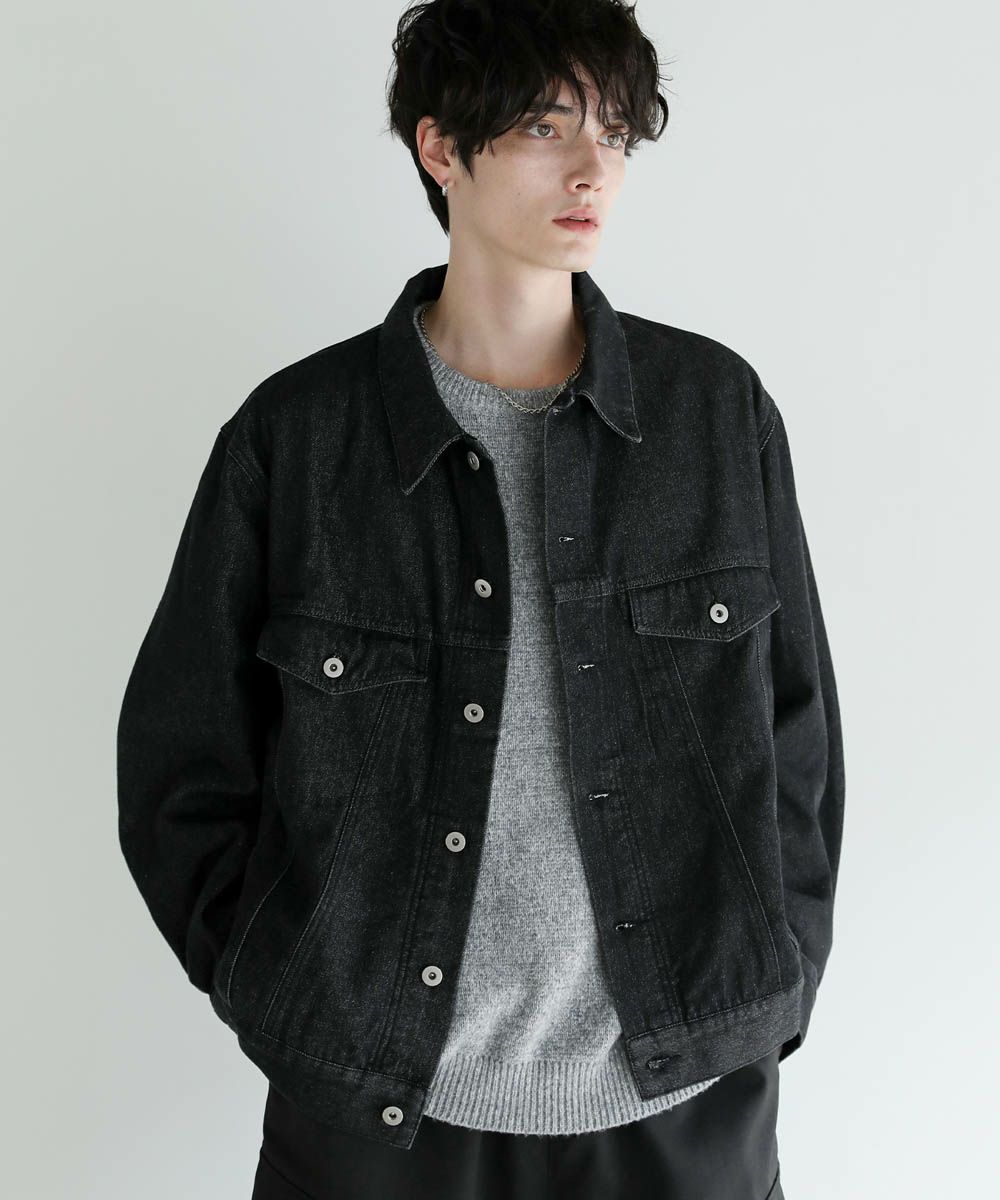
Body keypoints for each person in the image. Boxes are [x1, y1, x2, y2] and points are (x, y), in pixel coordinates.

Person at [117, 2, 844, 1197]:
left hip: (685, 1103)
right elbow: (182, 767)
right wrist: (286, 989)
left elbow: (796, 741)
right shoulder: (297, 441)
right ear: (439, 146)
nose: (592, 168)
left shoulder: (715, 416)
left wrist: (775, 981)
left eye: (615, 132)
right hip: (372, 1120)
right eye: (546, 126)